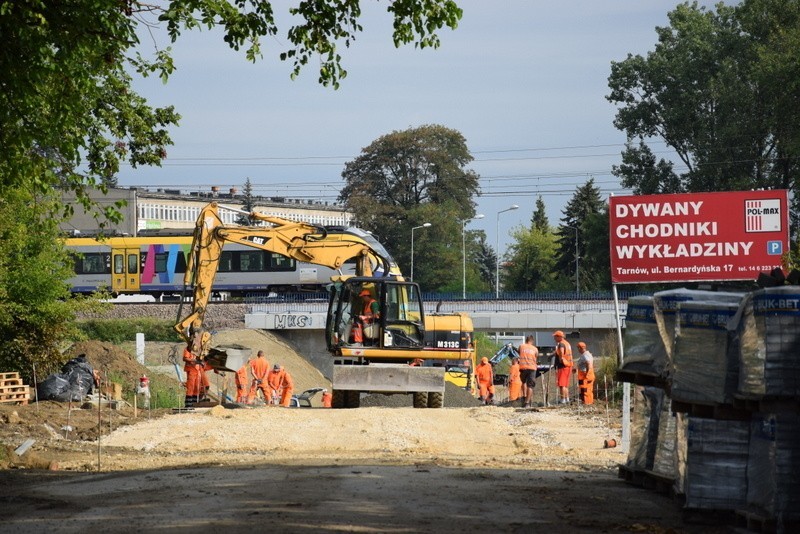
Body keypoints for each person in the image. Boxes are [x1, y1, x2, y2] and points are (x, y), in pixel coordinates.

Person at [518, 335, 539, 408]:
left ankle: (524, 396)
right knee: (530, 385)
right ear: (532, 341)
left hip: (523, 367)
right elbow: (536, 357)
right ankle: (527, 403)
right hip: (532, 368)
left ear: (526, 340)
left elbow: (518, 353)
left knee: (523, 382)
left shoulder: (521, 346)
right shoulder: (535, 349)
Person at [553, 330, 573, 404]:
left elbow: (561, 352)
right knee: (566, 384)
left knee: (562, 384)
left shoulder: (561, 344)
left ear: (559, 337)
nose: (554, 338)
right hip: (568, 365)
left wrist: (561, 359)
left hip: (563, 366)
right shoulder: (567, 343)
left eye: (555, 336)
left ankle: (563, 400)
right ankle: (567, 399)